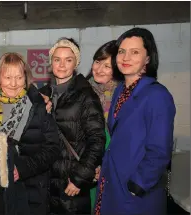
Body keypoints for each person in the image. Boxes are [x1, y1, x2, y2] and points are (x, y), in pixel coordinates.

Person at [94, 28, 176, 215]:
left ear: (148, 58)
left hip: (136, 194)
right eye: (122, 51)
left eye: (135, 52)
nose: (126, 57)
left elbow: (160, 150)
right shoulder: (120, 91)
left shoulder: (157, 95)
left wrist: (137, 185)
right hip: (112, 185)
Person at [39, 37, 106, 214]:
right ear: (51, 62)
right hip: (46, 184)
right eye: (57, 59)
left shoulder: (86, 95)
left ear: (76, 63)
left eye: (68, 60)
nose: (62, 65)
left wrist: (79, 178)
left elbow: (97, 139)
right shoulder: (42, 94)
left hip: (71, 183)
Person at [0, 52, 60, 214]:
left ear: (26, 78)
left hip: (32, 191)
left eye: (19, 77)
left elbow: (53, 148)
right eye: (8, 78)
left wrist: (22, 169)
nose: (13, 84)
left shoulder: (38, 105)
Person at [85, 40, 119, 211]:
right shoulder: (82, 90)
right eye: (98, 62)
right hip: (88, 164)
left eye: (107, 65)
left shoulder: (123, 96)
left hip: (114, 166)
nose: (99, 69)